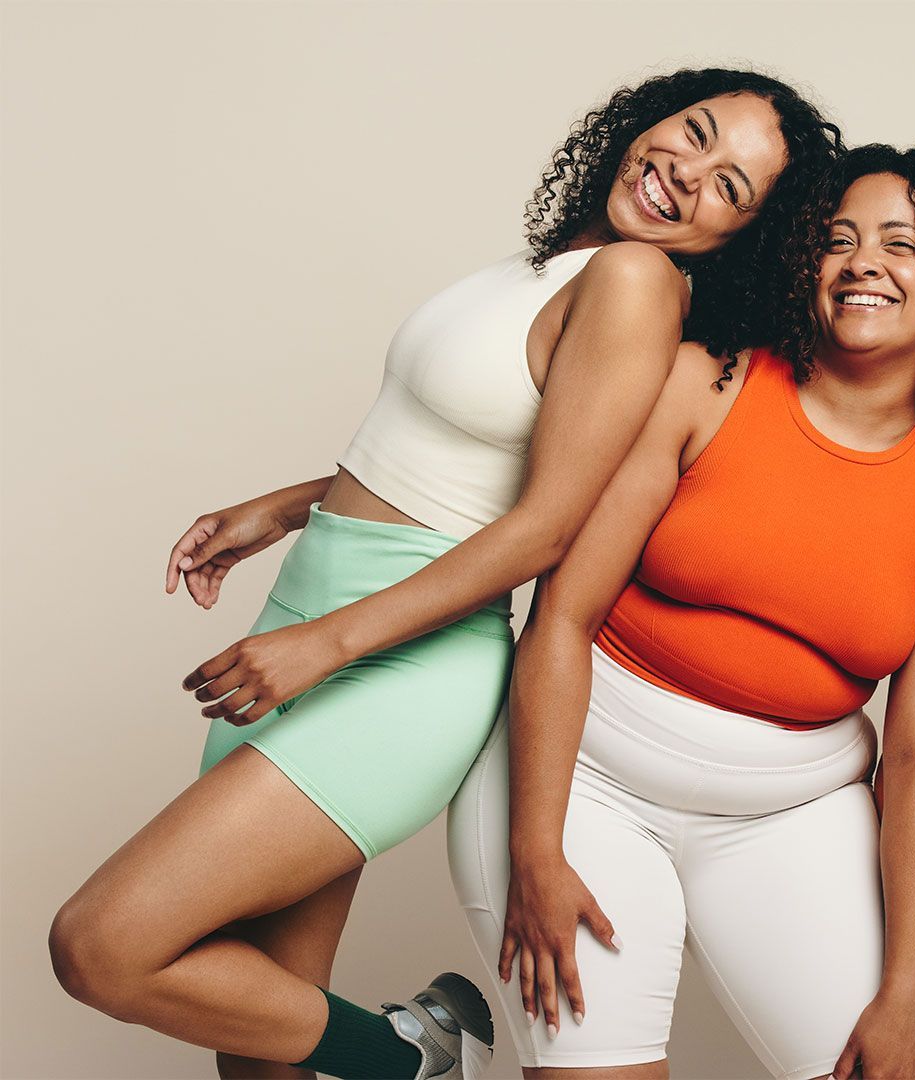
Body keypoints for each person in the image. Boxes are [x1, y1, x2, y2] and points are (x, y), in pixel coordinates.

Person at [49, 68, 840, 1080]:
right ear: (650, 118)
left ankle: (411, 1053)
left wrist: (325, 643)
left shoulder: (637, 283)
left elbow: (545, 527)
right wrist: (287, 508)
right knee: (255, 1046)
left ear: (742, 238)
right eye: (693, 133)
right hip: (313, 607)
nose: (687, 172)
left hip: (400, 660)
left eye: (730, 186)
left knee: (104, 945)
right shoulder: (556, 263)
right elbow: (457, 446)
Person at [448, 141, 915, 1079]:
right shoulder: (706, 382)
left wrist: (906, 993)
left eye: (901, 245)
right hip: (585, 788)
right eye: (839, 239)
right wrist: (535, 852)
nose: (862, 264)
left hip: (792, 814)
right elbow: (560, 616)